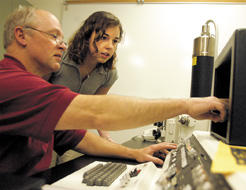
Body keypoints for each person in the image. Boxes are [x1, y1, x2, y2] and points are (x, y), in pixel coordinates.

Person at [0, 6, 227, 176]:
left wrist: (135, 153)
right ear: (21, 35)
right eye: (53, 36)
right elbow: (97, 112)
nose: (62, 44)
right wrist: (186, 105)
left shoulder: (40, 91)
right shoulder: (11, 83)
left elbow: (75, 134)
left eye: (115, 40)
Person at [49, 11, 123, 142]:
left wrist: (107, 139)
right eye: (103, 38)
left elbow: (97, 109)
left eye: (115, 41)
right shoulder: (60, 57)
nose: (110, 46)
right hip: (46, 131)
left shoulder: (109, 73)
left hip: (74, 134)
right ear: (87, 36)